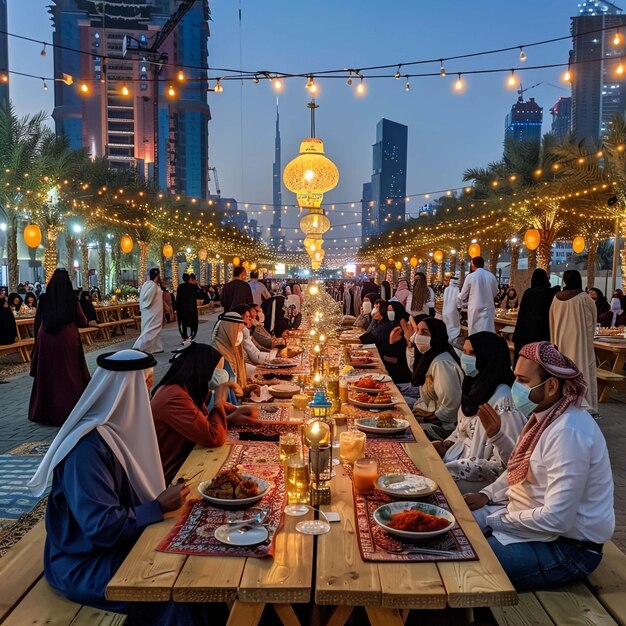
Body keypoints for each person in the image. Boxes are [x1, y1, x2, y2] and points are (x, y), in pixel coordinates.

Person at [28, 349, 208, 624]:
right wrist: (157, 506)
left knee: (197, 564)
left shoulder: (117, 432)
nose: (148, 397)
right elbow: (100, 526)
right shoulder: (88, 450)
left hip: (119, 543)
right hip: (83, 562)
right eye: (145, 386)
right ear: (127, 391)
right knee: (172, 592)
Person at [464, 342, 614, 591]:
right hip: (530, 524)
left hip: (568, 548)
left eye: (523, 380)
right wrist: (487, 494)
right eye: (516, 379)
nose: (515, 389)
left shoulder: (569, 431)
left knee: (467, 562)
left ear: (552, 386)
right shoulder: (546, 417)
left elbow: (557, 519)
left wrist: (497, 520)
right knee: (453, 529)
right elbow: (522, 469)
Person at [151, 343, 258, 482]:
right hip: (173, 472)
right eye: (216, 370)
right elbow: (213, 437)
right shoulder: (173, 397)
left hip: (190, 455)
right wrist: (220, 398)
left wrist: (230, 417)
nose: (220, 375)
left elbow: (202, 422)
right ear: (201, 368)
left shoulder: (187, 389)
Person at [434, 332, 525, 492]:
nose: (466, 357)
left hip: (485, 479)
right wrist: (447, 444)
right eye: (465, 351)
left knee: (435, 485)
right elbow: (462, 429)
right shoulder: (473, 385)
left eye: (473, 353)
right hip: (458, 461)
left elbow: (506, 462)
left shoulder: (503, 400)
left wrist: (454, 468)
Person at [29, 269, 90, 426]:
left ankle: (46, 412)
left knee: (48, 374)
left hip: (46, 337)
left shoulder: (44, 298)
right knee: (69, 373)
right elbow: (82, 320)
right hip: (66, 337)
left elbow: (37, 321)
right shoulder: (71, 298)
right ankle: (70, 410)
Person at [550, 269, 598, 415]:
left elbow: (551, 321)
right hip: (580, 344)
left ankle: (564, 401)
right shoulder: (584, 298)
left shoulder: (556, 298)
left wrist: (554, 341)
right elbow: (592, 320)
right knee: (583, 370)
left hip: (560, 343)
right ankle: (585, 404)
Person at [409, 317, 464, 440]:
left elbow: (451, 404)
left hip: (446, 427)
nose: (419, 335)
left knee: (409, 432)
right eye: (418, 331)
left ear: (436, 335)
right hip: (433, 415)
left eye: (425, 332)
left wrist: (429, 417)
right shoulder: (429, 356)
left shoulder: (442, 363)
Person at [210, 311, 259, 402]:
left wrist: (244, 389)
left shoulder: (233, 349)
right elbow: (218, 393)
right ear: (229, 331)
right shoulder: (217, 353)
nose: (240, 335)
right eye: (239, 331)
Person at [512, 269, 556, 364]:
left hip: (524, 334)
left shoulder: (528, 293)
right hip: (541, 334)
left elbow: (522, 314)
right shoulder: (550, 293)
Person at [457, 256, 498, 335]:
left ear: (473, 264)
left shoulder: (470, 276)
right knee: (488, 331)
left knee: (475, 333)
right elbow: (495, 292)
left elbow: (462, 295)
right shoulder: (491, 276)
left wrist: (458, 300)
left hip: (475, 308)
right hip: (488, 308)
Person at [133, 268, 164, 354]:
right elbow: (148, 297)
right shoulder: (152, 285)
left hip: (153, 310)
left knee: (153, 328)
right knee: (152, 328)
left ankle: (156, 347)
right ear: (157, 276)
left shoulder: (146, 284)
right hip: (153, 311)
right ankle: (139, 346)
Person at [176, 273, 201, 342]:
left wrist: (177, 309)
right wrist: (197, 285)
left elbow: (178, 299)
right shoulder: (193, 286)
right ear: (189, 278)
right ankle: (192, 337)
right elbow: (199, 295)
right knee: (193, 323)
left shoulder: (180, 287)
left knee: (184, 324)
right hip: (191, 309)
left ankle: (185, 337)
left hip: (183, 309)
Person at [442, 276, 461, 342]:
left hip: (445, 310)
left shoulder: (446, 289)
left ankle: (446, 339)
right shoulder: (456, 289)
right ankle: (452, 340)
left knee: (446, 326)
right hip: (453, 310)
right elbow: (458, 300)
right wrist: (459, 307)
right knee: (454, 327)